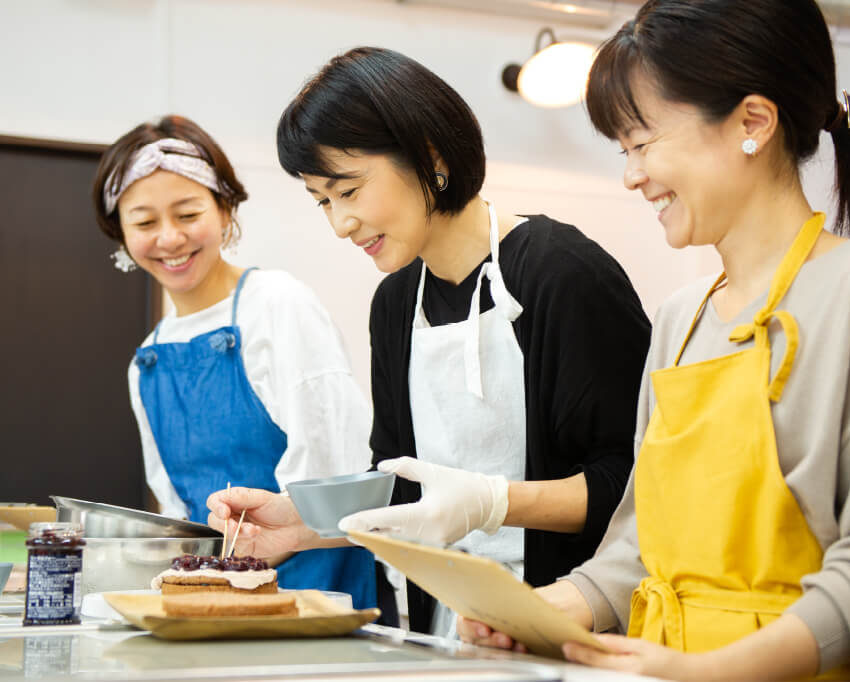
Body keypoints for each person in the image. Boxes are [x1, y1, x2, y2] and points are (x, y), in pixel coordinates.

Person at [459, 0, 850, 679]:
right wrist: (534, 613)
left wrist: (714, 670)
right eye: (624, 150)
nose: (631, 175)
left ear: (752, 123)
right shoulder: (679, 318)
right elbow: (638, 549)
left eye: (643, 144)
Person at [207, 47, 651, 635]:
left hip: (571, 623)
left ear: (431, 158)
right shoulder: (395, 305)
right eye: (323, 201)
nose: (340, 224)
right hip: (451, 624)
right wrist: (302, 525)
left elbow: (636, 482)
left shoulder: (562, 275)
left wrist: (492, 503)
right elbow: (402, 490)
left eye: (349, 190)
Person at [91, 115, 378, 610]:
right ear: (121, 235)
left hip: (316, 592)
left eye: (187, 213)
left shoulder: (277, 304)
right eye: (143, 222)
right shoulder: (146, 362)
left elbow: (336, 471)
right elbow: (177, 509)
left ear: (225, 210)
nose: (169, 238)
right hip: (213, 599)